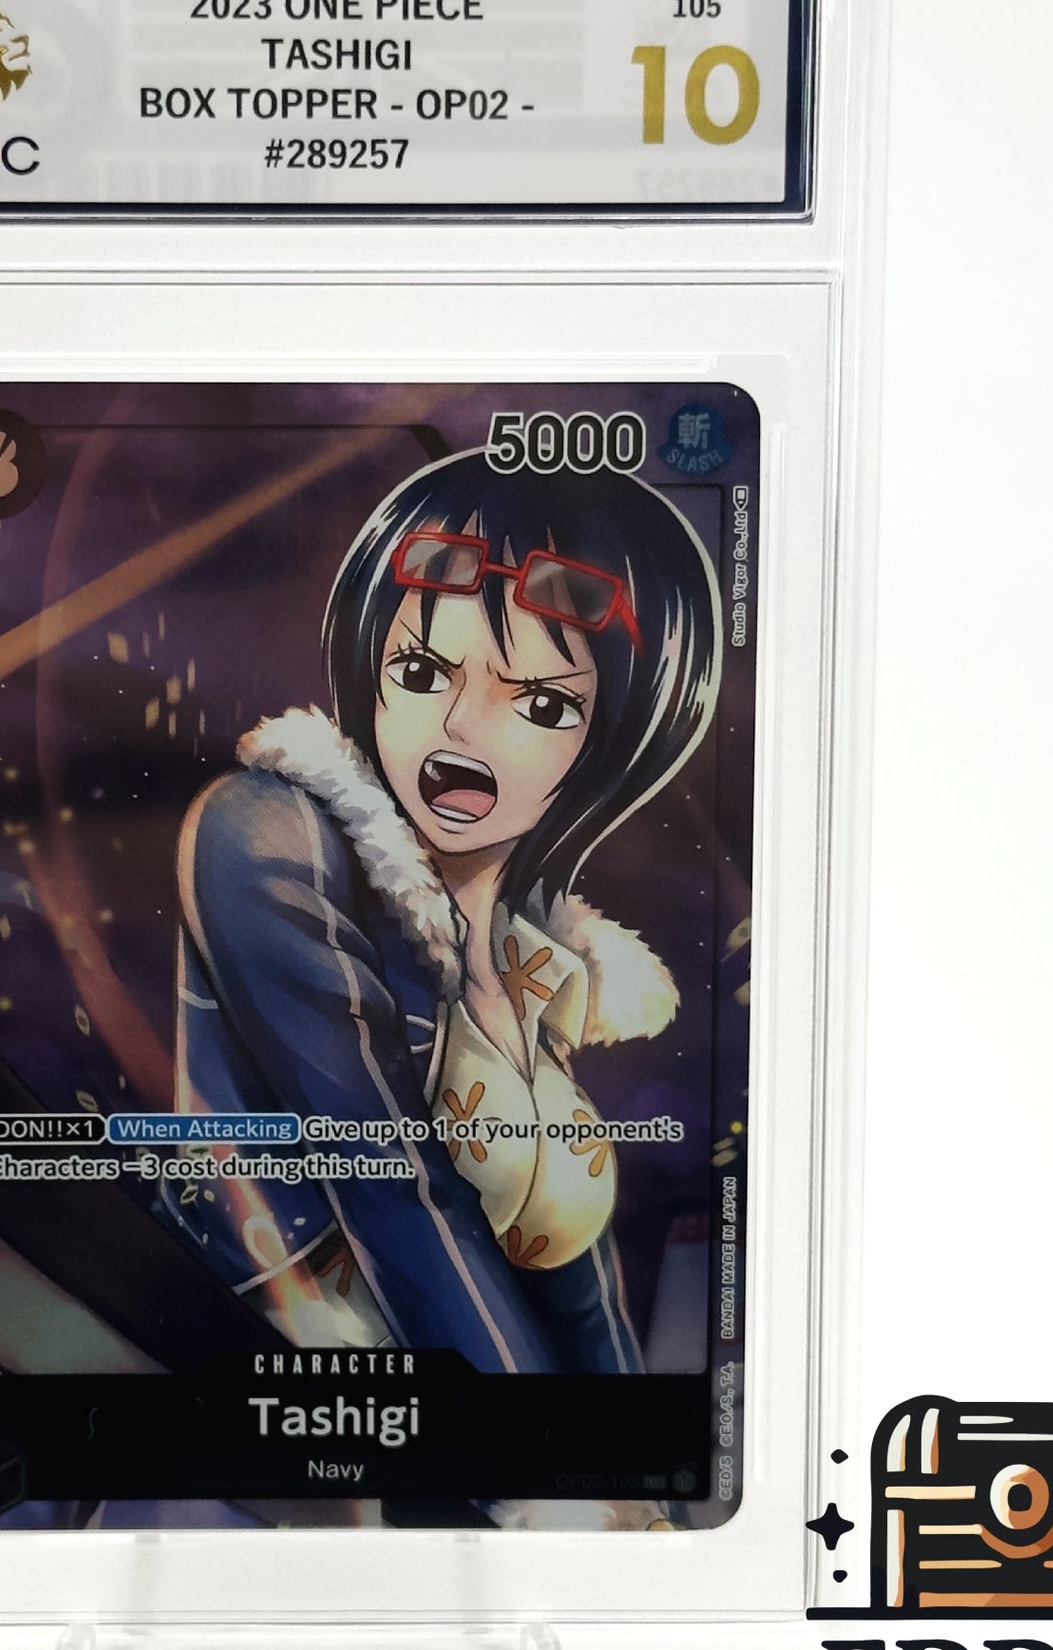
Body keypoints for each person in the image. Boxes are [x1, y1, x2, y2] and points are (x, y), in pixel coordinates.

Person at [165, 446, 721, 1373]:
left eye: (542, 704)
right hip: (262, 1392)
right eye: (423, 673)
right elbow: (388, 1182)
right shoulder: (270, 834)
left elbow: (575, 1290)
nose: (460, 728)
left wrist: (627, 1451)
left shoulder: (535, 953)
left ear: (617, 740)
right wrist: (541, 1458)